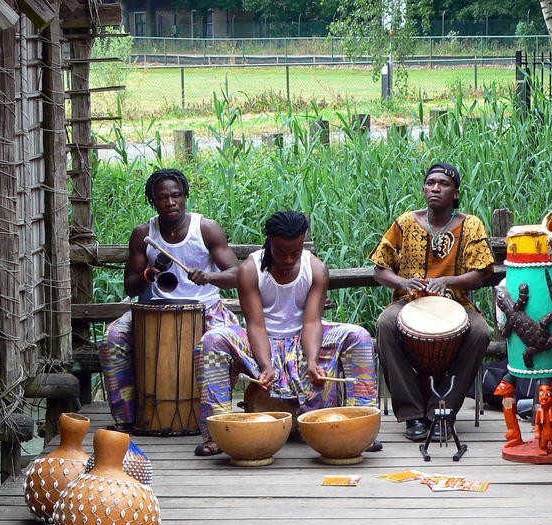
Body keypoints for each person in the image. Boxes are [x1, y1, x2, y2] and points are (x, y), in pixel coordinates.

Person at [199, 211, 379, 454]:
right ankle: (218, 432)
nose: (287, 258)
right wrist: (265, 365)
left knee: (358, 336)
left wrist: (313, 360)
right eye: (281, 252)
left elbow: (313, 321)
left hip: (303, 337)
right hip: (261, 339)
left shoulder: (316, 268)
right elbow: (256, 324)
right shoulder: (250, 269)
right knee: (213, 339)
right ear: (270, 241)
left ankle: (359, 426)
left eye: (294, 252)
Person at [100, 168, 243, 438]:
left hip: (205, 308)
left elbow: (237, 274)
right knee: (113, 338)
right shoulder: (144, 234)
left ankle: (215, 421)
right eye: (162, 197)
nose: (170, 202)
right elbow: (130, 286)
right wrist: (147, 274)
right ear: (153, 201)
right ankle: (127, 421)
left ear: (185, 196)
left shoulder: (205, 228)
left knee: (219, 340)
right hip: (153, 311)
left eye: (176, 195)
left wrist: (209, 276)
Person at [370, 163, 494, 441]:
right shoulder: (405, 222)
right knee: (386, 323)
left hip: (457, 305)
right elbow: (380, 268)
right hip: (409, 302)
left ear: (456, 193)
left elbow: (482, 273)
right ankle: (412, 414)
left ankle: (443, 414)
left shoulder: (471, 224)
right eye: (430, 183)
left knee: (480, 331)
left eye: (443, 184)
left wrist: (448, 282)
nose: (435, 188)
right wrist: (401, 282)